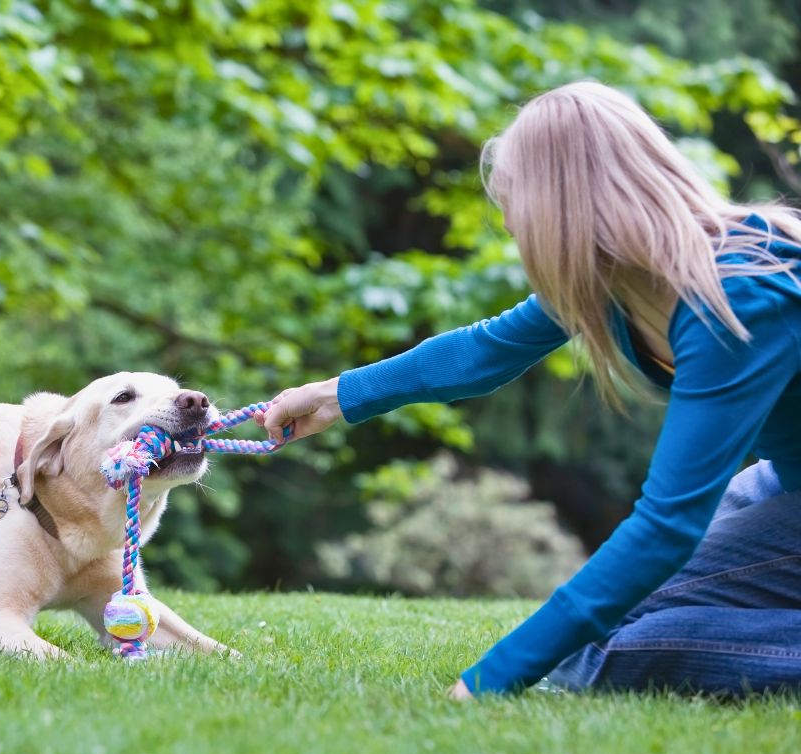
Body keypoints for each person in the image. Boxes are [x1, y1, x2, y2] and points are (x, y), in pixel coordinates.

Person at [257, 80, 801, 697]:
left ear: (560, 205)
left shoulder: (737, 299)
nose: (511, 225)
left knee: (606, 654)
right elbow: (484, 349)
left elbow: (666, 525)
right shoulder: (619, 282)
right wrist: (335, 395)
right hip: (785, 484)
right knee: (606, 627)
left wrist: (489, 680)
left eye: (513, 200)